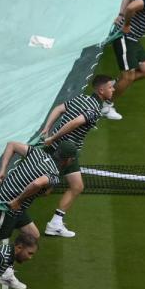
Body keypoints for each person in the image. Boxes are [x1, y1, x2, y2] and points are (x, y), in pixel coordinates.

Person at [0, 139, 77, 288]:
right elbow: (37, 184)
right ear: (68, 159)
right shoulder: (52, 175)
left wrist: (2, 171)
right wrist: (18, 200)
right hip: (5, 205)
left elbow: (11, 144)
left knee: (33, 235)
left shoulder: (37, 153)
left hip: (16, 207)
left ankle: (5, 270)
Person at [38, 74, 113, 237]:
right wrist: (52, 137)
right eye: (110, 87)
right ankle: (53, 224)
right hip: (66, 151)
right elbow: (75, 123)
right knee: (73, 187)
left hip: (57, 147)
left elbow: (59, 108)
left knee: (49, 184)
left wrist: (47, 128)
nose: (113, 89)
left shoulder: (82, 98)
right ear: (101, 90)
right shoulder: (94, 110)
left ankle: (55, 222)